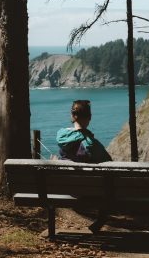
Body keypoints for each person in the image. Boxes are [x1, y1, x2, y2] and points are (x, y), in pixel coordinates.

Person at [56, 99, 111, 233]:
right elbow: (109, 163)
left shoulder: (61, 136)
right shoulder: (92, 144)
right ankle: (102, 218)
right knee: (108, 183)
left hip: (65, 188)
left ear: (72, 116)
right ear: (90, 118)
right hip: (88, 189)